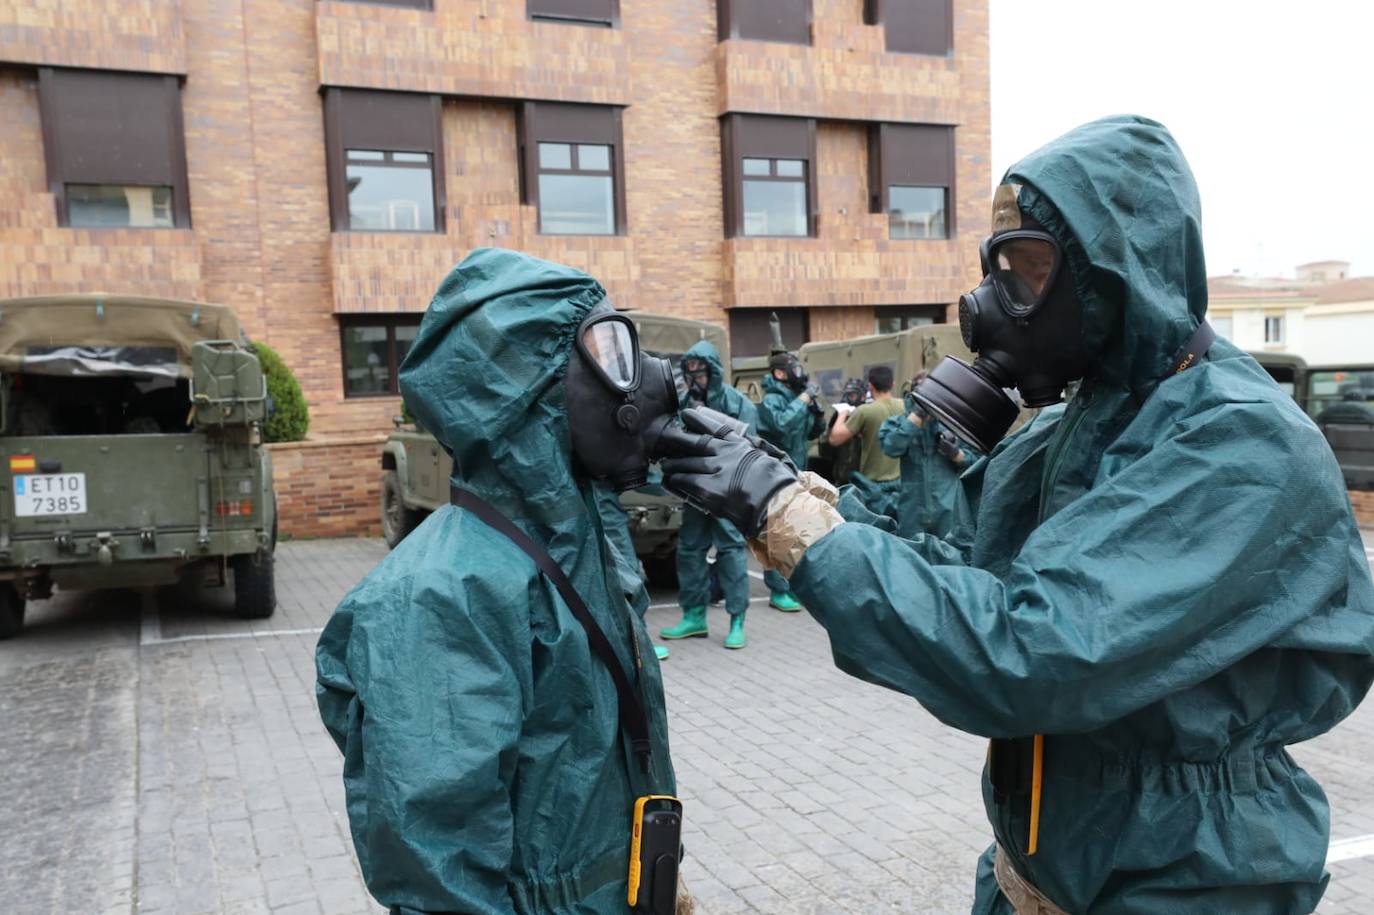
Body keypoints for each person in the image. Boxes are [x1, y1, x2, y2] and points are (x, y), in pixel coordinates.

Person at [657, 116, 1374, 912]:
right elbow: (966, 572)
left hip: (1182, 876)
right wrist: (789, 494)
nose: (994, 304)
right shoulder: (1087, 420)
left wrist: (792, 519)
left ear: (1121, 271)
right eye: (998, 268)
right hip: (1047, 864)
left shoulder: (1238, 442)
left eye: (1030, 271)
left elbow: (1032, 651)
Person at [316, 249, 679, 913]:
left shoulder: (585, 544)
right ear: (529, 390)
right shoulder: (440, 595)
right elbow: (441, 878)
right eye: (606, 354)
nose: (636, 382)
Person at [658, 340, 756, 649]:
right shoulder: (683, 403)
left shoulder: (736, 402)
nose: (695, 380)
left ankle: (737, 619)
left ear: (712, 372)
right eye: (690, 374)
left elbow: (751, 446)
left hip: (727, 492)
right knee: (689, 551)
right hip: (695, 490)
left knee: (731, 551)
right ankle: (694, 616)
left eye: (700, 374)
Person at [755, 349, 825, 612]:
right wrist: (804, 399)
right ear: (778, 373)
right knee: (776, 533)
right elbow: (781, 425)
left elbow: (813, 433)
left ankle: (795, 585)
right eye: (791, 368)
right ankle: (778, 590)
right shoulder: (771, 400)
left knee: (798, 531)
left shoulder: (797, 399)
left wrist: (817, 413)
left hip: (797, 473)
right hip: (775, 476)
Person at [878, 371, 982, 540]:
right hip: (912, 511)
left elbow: (978, 462)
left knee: (950, 552)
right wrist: (916, 417)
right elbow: (891, 447)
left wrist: (957, 454)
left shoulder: (955, 423)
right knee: (911, 553)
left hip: (948, 509)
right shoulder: (900, 423)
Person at [825, 365, 905, 519]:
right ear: (893, 384)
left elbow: (835, 439)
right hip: (900, 482)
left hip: (873, 487)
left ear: (870, 386)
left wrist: (842, 413)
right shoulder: (903, 406)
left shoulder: (865, 411)